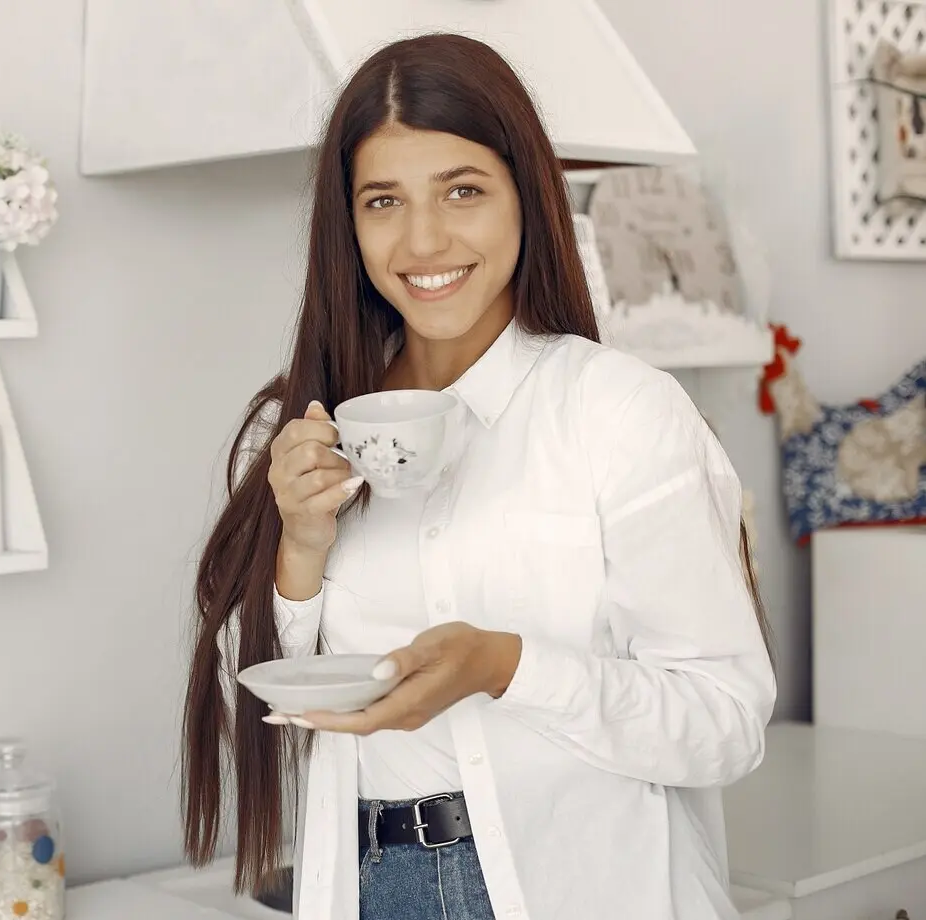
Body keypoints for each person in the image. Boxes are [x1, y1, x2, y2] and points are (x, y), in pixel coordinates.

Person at [180, 32, 777, 920]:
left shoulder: (620, 411)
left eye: (462, 190)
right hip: (373, 884)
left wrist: (507, 667)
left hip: (576, 887)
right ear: (347, 223)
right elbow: (264, 701)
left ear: (525, 197)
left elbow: (724, 725)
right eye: (384, 201)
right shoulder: (305, 426)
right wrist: (300, 546)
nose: (423, 239)